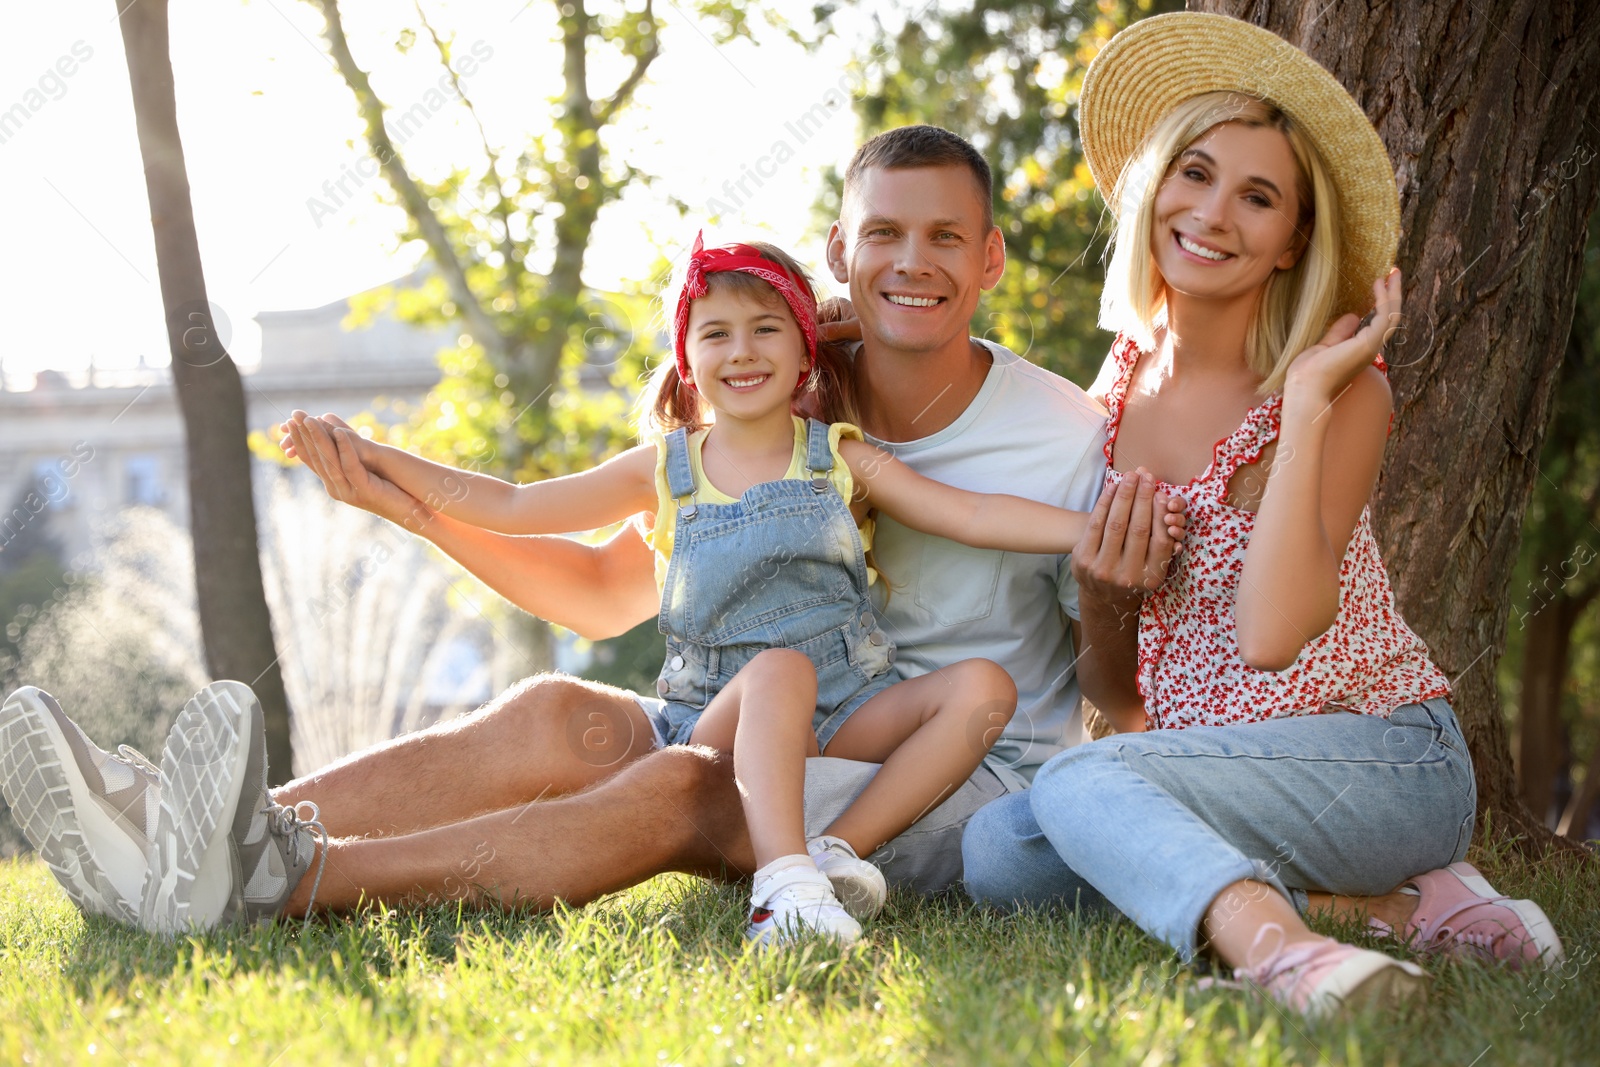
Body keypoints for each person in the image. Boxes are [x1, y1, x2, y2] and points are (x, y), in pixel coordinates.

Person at [2, 125, 1180, 931]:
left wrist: (1116, 581)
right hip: (760, 711)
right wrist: (408, 505)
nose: (910, 263)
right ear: (840, 252)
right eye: (884, 234)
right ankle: (185, 826)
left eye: (941, 240)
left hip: (927, 781)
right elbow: (608, 590)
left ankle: (277, 878)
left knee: (674, 781)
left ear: (989, 258)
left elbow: (1115, 701)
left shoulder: (1060, 435)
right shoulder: (773, 391)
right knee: (565, 714)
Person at [278, 237, 1181, 944]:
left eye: (764, 331)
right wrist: (391, 472)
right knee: (618, 693)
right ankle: (257, 828)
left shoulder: (838, 455)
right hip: (714, 712)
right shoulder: (670, 471)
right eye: (715, 334)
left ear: (803, 355)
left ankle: (825, 856)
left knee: (979, 684)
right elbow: (520, 508)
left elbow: (973, 513)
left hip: (847, 713)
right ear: (687, 360)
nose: (741, 352)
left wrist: (1096, 531)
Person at [961, 12, 1565, 1019]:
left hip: (1384, 760)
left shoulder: (1340, 390)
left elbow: (1271, 632)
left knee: (1078, 790)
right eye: (1193, 173)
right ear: (1155, 186)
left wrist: (1306, 403)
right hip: (1215, 776)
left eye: (1257, 196)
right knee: (998, 853)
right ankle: (1399, 906)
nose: (1212, 212)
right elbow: (1125, 698)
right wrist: (1104, 593)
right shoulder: (1109, 393)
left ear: (1292, 242)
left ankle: (1289, 955)